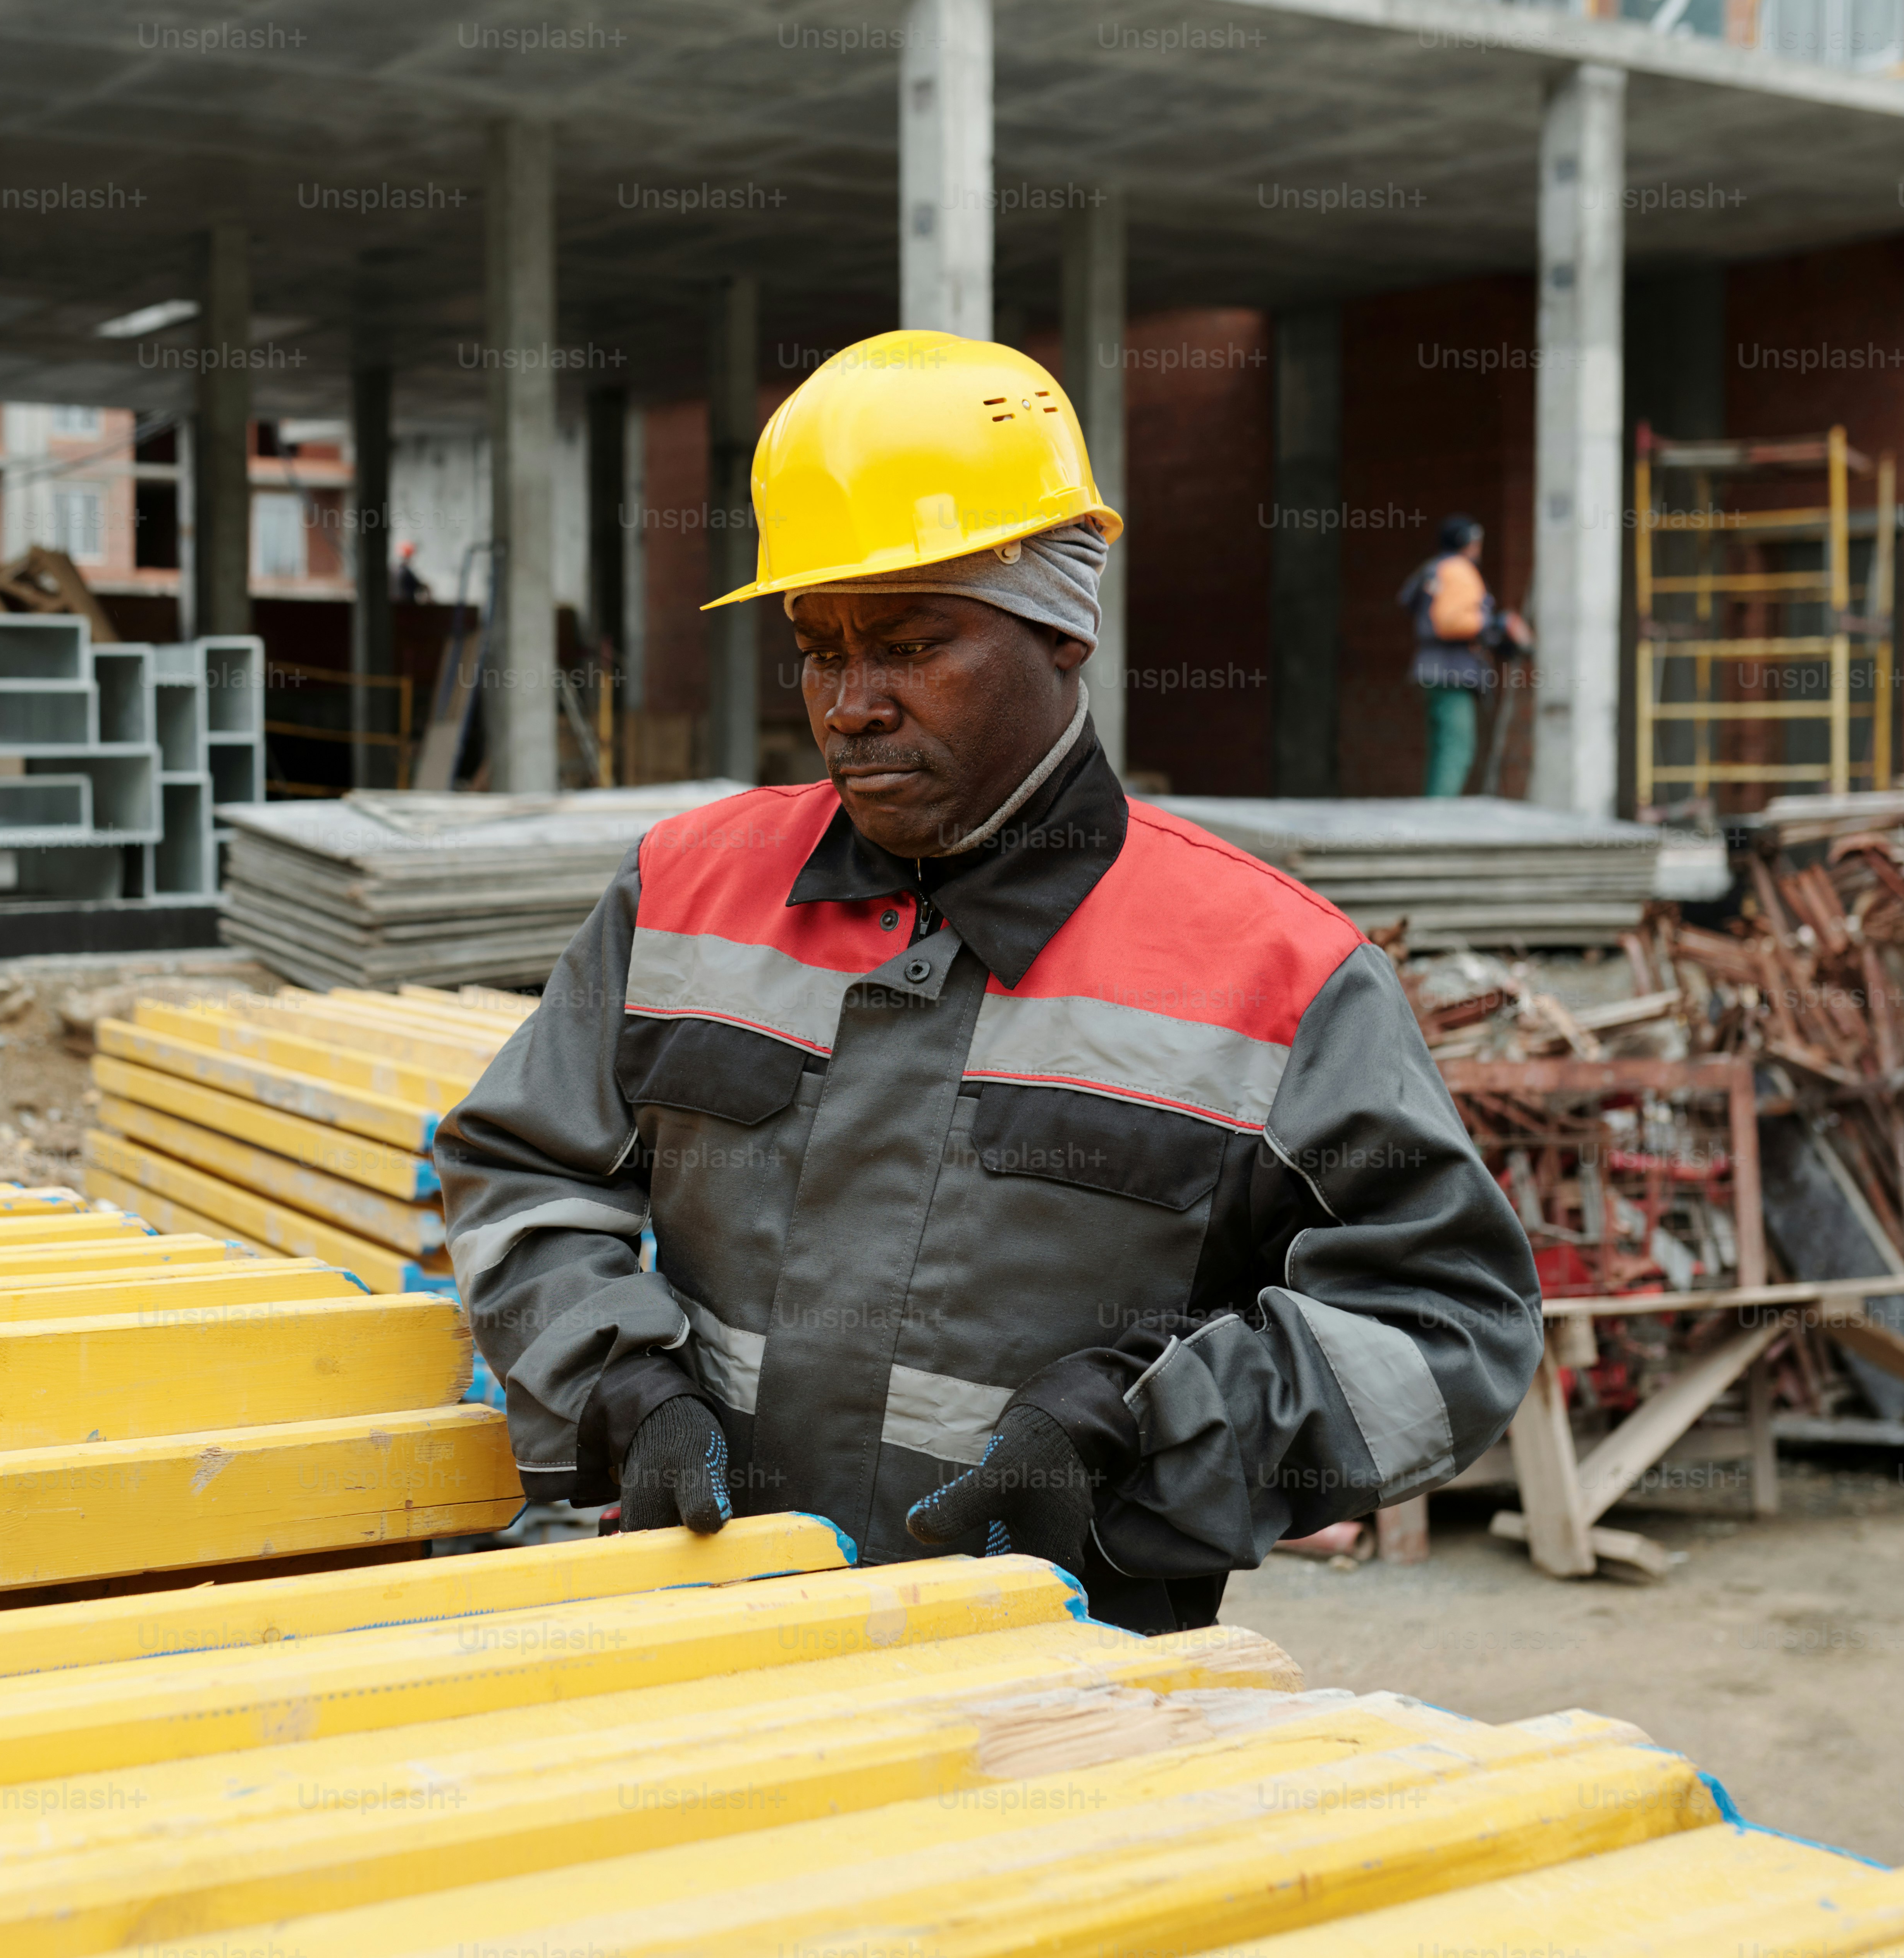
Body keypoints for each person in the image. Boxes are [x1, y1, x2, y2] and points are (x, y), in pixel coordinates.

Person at [439, 332, 1538, 1635]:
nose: (847, 703)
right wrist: (617, 1377)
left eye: (909, 644)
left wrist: (1146, 1439)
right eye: (818, 645)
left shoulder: (1276, 972)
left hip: (1058, 1701)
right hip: (711, 1650)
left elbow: (1446, 1323)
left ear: (1062, 630)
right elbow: (518, 1166)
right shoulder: (681, 892)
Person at [1397, 516, 1529, 798]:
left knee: (1442, 747)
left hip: (1432, 669)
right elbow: (1449, 621)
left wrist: (1493, 637)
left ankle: (1431, 814)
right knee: (1458, 748)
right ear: (1468, 542)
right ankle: (1438, 819)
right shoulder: (1458, 569)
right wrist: (1498, 625)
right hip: (1451, 671)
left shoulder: (1434, 569)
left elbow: (1413, 603)